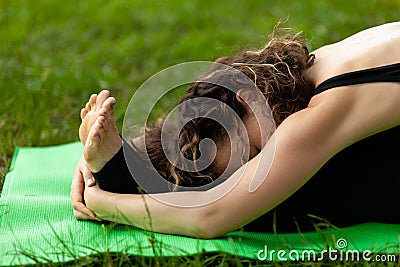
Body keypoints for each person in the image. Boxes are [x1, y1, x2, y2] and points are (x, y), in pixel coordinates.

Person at [71, 22, 400, 237]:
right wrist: (87, 163)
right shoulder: (321, 66)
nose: (257, 162)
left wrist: (101, 201)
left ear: (246, 99)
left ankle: (123, 172)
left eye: (252, 153)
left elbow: (213, 216)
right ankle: (127, 164)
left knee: (283, 199)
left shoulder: (331, 101)